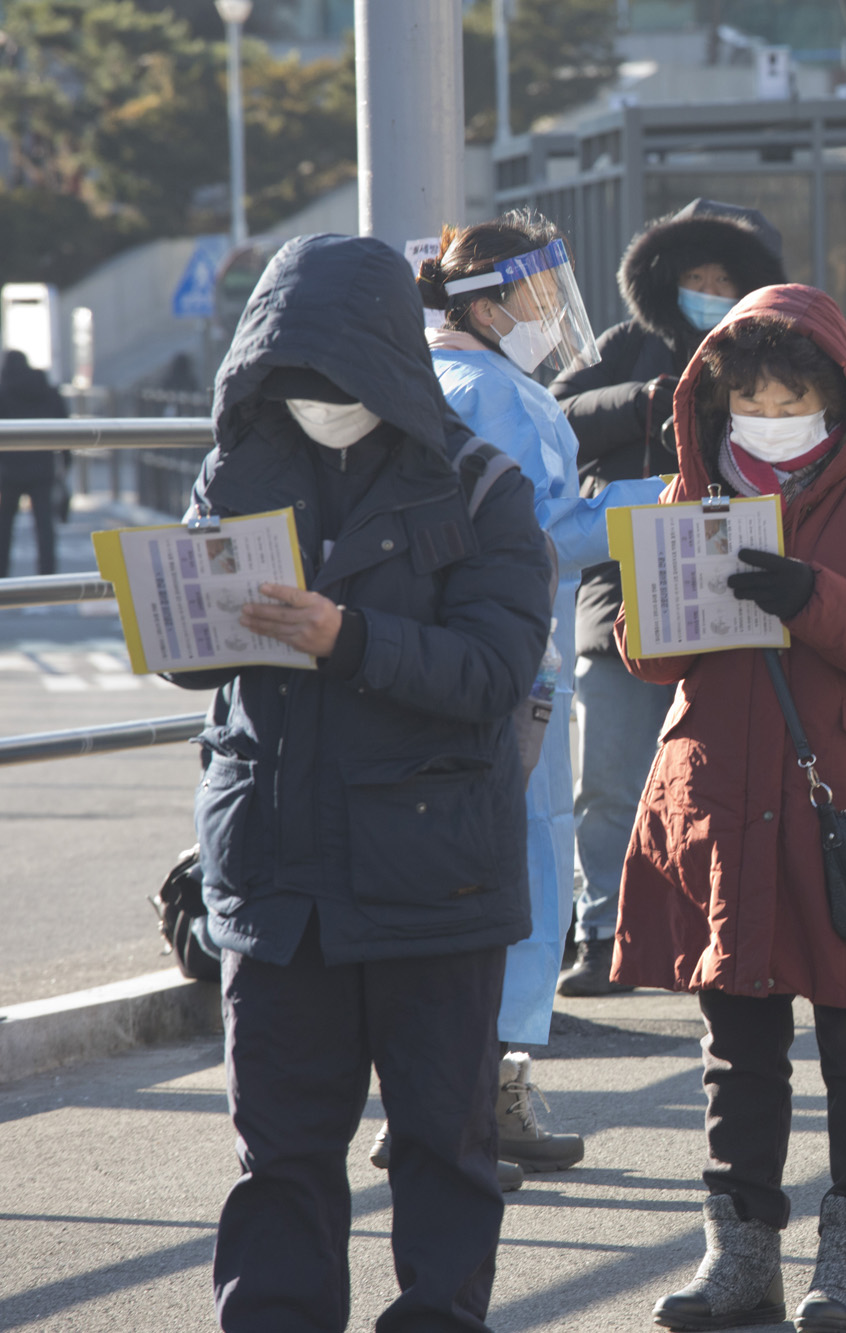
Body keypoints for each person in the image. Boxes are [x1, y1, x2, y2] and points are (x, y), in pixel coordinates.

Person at [170, 233, 555, 1330]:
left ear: (387, 359)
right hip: (278, 873)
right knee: (280, 1147)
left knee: (442, 1141)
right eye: (287, 370)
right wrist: (177, 620)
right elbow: (202, 647)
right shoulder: (238, 465)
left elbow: (492, 670)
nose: (314, 396)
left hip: (431, 875)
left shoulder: (481, 484)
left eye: (333, 371)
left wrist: (347, 636)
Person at [610, 283, 846, 1332]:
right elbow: (644, 653)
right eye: (746, 393)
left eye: (789, 390)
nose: (767, 411)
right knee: (735, 1050)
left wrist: (808, 596)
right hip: (720, 802)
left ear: (837, 396)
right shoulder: (685, 497)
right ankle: (737, 1258)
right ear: (715, 400)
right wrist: (663, 595)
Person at [415, 214, 668, 1175]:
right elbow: (543, 534)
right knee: (520, 871)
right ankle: (477, 1093)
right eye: (535, 294)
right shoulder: (500, 394)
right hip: (514, 666)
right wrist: (665, 501)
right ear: (486, 302)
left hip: (448, 663)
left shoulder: (439, 378)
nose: (549, 311)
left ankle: (465, 1090)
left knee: (465, 872)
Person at [550, 199, 786, 996]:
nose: (711, 291)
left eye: (725, 279)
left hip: (739, 593)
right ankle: (602, 932)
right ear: (665, 282)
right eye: (696, 278)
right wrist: (649, 402)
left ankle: (723, 933)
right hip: (625, 592)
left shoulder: (771, 351)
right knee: (611, 779)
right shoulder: (626, 349)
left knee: (732, 779)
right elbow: (556, 418)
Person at [0, 350, 66, 578]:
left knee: (4, 526)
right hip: (42, 467)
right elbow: (65, 429)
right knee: (45, 525)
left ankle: (3, 575)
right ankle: (47, 575)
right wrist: (65, 464)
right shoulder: (47, 390)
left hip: (8, 470)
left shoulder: (4, 390)